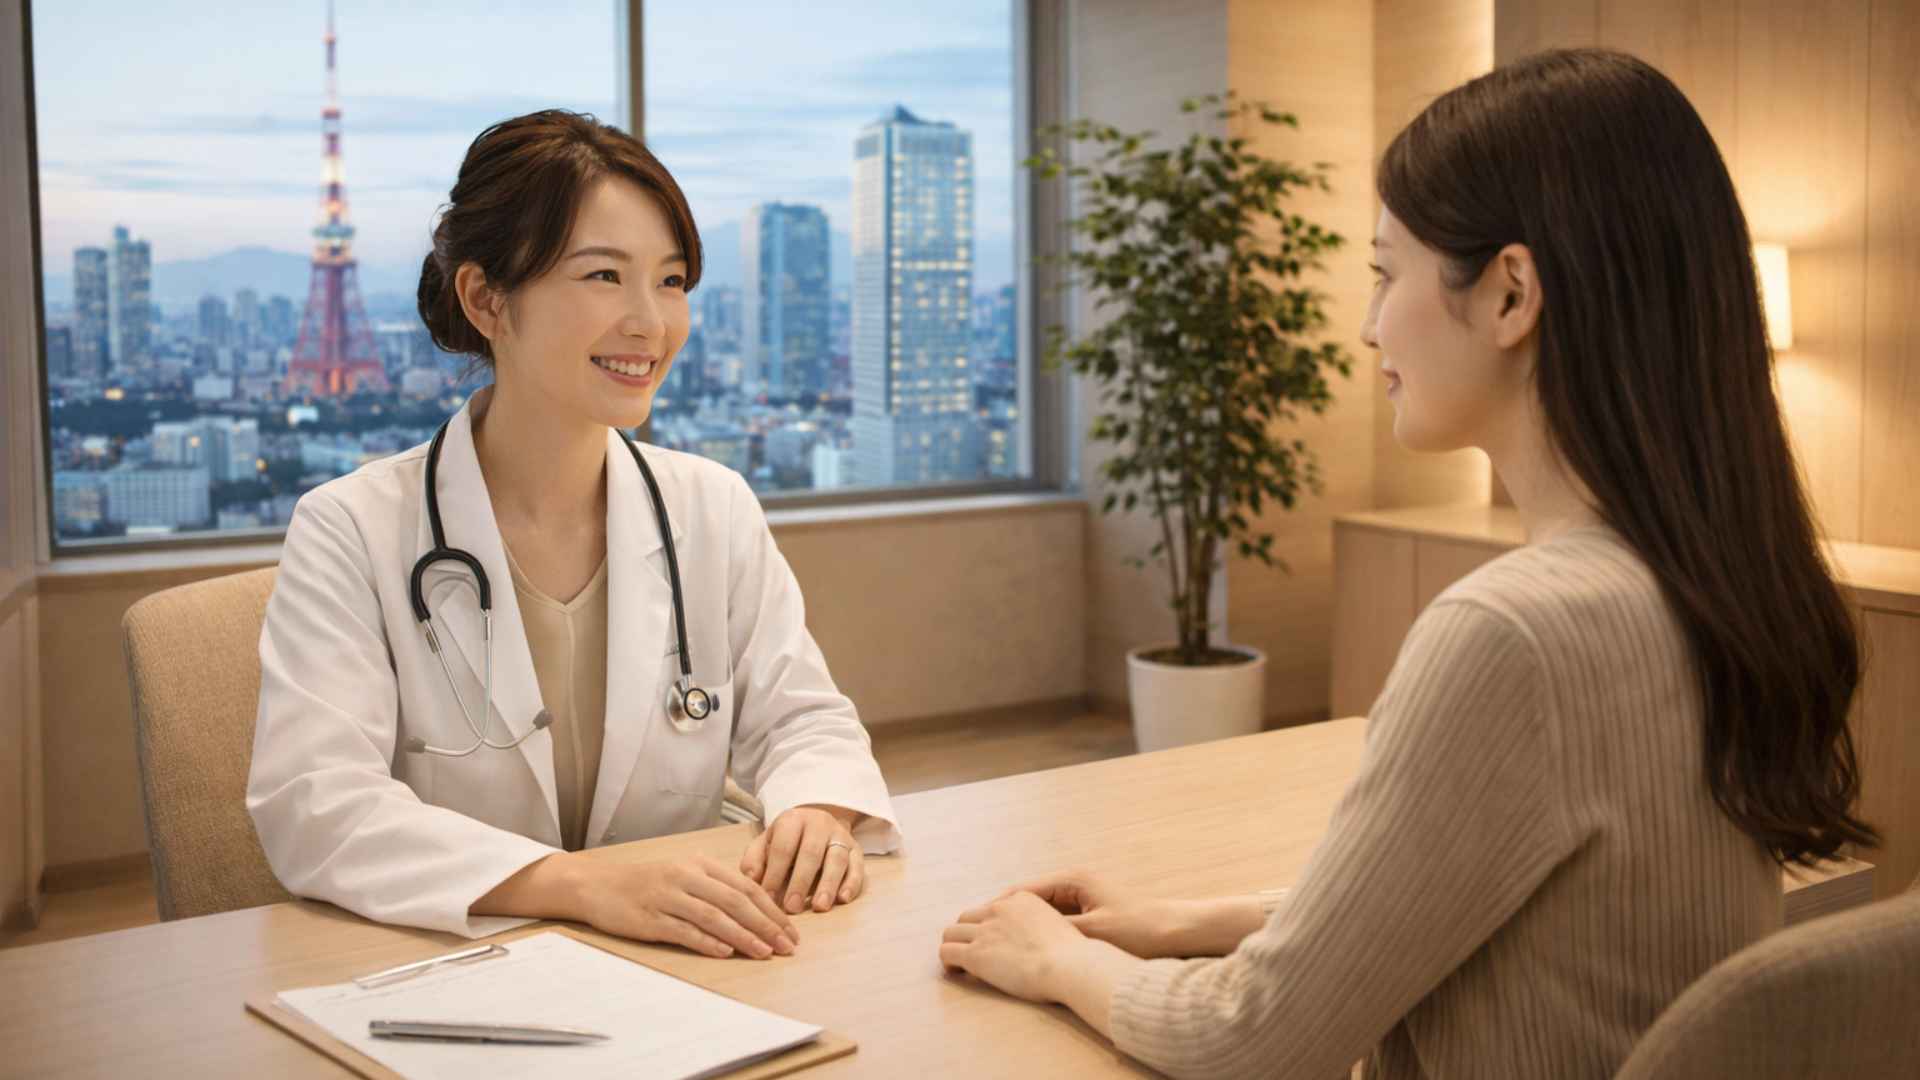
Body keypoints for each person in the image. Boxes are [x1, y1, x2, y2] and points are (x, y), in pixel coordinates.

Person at [937, 49, 1876, 1078]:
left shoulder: (1516, 632)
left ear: (1513, 294)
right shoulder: (1705, 582)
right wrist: (1180, 921)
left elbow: (1253, 1038)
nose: (1368, 323)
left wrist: (1058, 960)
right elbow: (1476, 902)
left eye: (1386, 274)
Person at [249, 110, 900, 959]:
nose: (650, 324)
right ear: (486, 299)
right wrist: (580, 887)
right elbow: (317, 805)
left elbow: (806, 721)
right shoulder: (351, 529)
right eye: (604, 276)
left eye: (671, 283)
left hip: (689, 962)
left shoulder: (712, 507)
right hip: (454, 966)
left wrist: (816, 807)